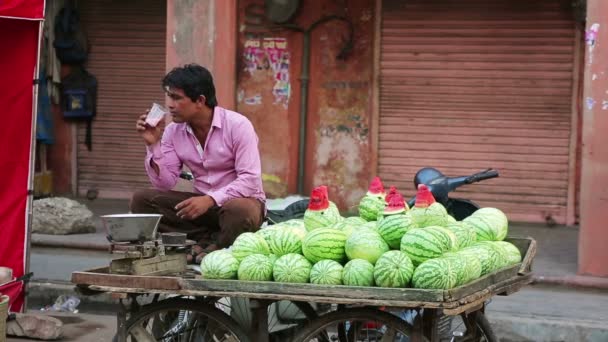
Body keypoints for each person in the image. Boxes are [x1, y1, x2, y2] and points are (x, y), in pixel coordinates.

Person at [131, 64, 266, 263]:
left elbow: (250, 180)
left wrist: (210, 199)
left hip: (240, 205)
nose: (169, 105)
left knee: (240, 211)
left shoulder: (238, 126)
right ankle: (209, 240)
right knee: (142, 200)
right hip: (202, 210)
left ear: (200, 100)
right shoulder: (172, 131)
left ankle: (214, 247)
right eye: (169, 97)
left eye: (176, 98)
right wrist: (153, 146)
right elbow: (164, 184)